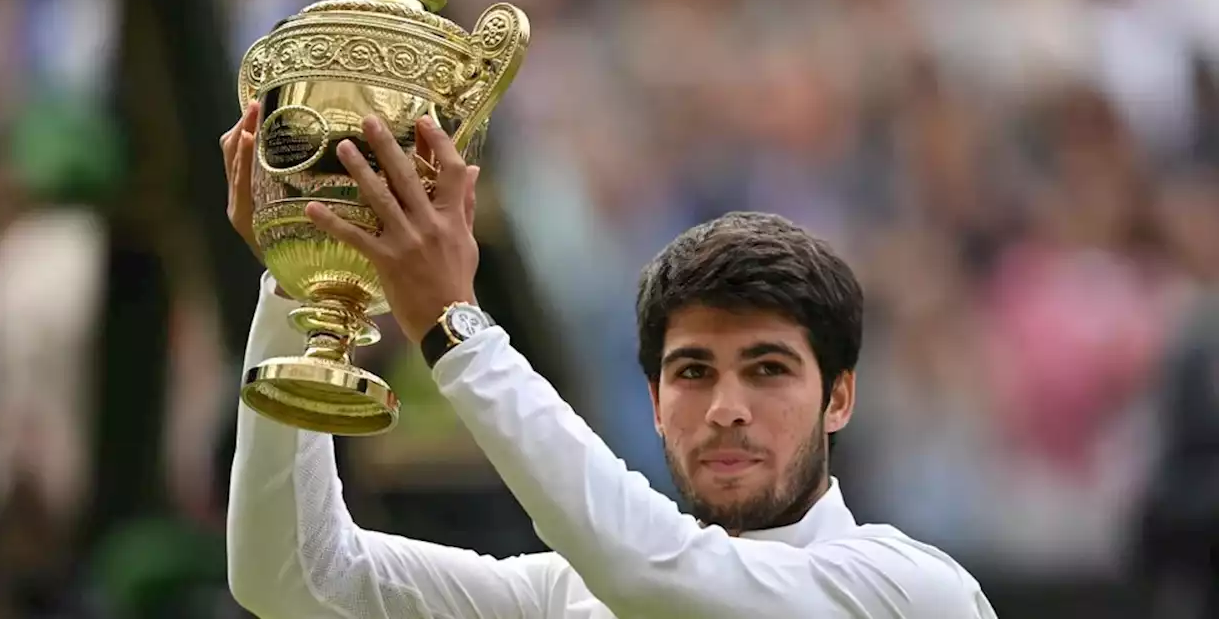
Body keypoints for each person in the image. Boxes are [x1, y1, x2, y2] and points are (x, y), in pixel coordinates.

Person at [223, 106, 998, 618]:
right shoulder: (569, 597)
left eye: (768, 369)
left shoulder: (911, 590)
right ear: (655, 403)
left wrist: (454, 328)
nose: (727, 407)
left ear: (839, 399)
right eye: (694, 372)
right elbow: (292, 575)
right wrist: (307, 273)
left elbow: (660, 578)